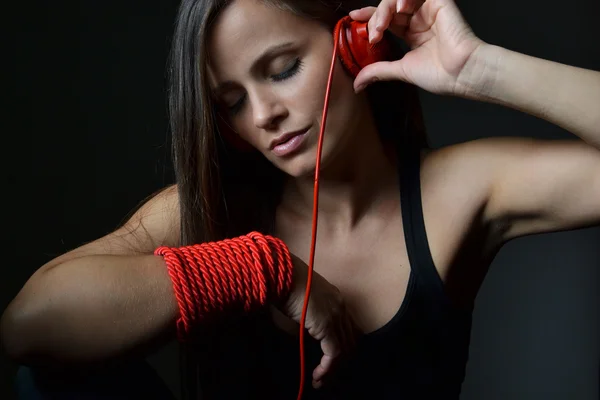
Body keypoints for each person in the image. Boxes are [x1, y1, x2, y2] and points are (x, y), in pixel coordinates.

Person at [2, 0, 599, 399]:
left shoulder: (461, 190)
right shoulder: (211, 205)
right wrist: (259, 269)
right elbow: (26, 326)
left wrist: (478, 67)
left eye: (283, 68)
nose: (263, 116)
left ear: (353, 43)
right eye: (231, 102)